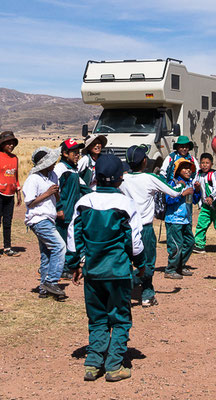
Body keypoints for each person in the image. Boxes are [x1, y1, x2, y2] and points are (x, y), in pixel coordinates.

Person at [67, 154, 144, 382]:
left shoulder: (84, 203)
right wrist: (139, 264)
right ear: (120, 178)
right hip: (118, 271)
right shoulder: (125, 204)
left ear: (95, 177)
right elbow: (135, 242)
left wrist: (75, 265)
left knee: (97, 317)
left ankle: (93, 364)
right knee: (120, 318)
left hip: (93, 271)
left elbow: (73, 238)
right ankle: (114, 365)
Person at [119, 145, 192, 307]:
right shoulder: (149, 178)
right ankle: (131, 287)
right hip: (144, 228)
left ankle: (146, 293)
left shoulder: (122, 179)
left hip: (125, 228)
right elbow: (173, 192)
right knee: (148, 263)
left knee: (127, 261)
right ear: (144, 161)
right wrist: (181, 184)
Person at [22, 147, 67, 299]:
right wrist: (47, 193)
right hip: (38, 219)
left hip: (49, 217)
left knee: (47, 253)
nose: (54, 163)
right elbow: (30, 202)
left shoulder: (53, 175)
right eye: (51, 161)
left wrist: (55, 193)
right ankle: (52, 282)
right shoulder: (33, 179)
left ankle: (44, 288)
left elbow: (56, 198)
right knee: (59, 247)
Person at [54, 138, 92, 279]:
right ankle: (62, 269)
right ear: (65, 153)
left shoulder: (73, 170)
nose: (77, 155)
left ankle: (68, 267)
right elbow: (54, 189)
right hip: (63, 212)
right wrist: (59, 208)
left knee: (70, 240)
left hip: (72, 213)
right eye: (74, 152)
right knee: (62, 242)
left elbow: (84, 188)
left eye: (78, 152)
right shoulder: (60, 169)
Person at [164, 158, 202, 279]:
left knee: (190, 242)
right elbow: (168, 200)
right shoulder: (173, 183)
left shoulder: (190, 182)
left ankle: (180, 265)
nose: (188, 171)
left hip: (186, 219)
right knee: (176, 245)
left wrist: (196, 191)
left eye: (189, 169)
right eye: (184, 168)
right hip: (174, 219)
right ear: (177, 170)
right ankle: (170, 270)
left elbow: (194, 201)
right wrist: (182, 194)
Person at [0, 131, 22, 257]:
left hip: (10, 194)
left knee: (8, 221)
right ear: (2, 145)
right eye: (8, 143)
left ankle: (7, 247)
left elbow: (15, 176)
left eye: (12, 143)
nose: (11, 145)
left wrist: (18, 192)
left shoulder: (15, 158)